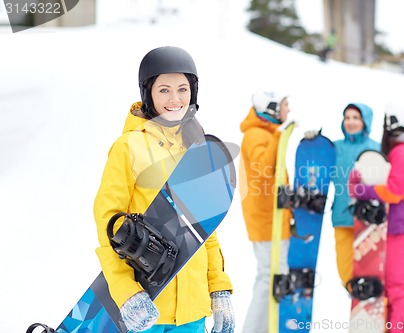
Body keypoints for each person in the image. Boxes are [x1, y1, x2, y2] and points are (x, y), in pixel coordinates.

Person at [93, 46, 235, 333]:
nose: (175, 99)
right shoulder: (128, 147)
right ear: (149, 94)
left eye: (183, 89)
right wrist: (125, 291)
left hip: (193, 311)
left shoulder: (196, 148)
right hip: (147, 309)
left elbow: (205, 229)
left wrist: (219, 288)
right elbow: (107, 224)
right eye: (164, 90)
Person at [348, 102, 404, 333]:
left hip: (400, 229)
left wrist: (363, 190)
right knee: (390, 288)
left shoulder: (403, 152)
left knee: (397, 287)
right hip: (393, 228)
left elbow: (393, 190)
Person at [304, 103, 379, 288]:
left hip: (368, 221)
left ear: (365, 121)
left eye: (356, 118)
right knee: (345, 270)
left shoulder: (376, 148)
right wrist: (313, 143)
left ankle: (369, 300)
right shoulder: (334, 148)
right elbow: (315, 168)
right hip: (342, 217)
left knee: (368, 268)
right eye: (347, 118)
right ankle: (354, 294)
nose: (351, 122)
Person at [239, 90, 293, 333]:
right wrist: (281, 135)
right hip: (265, 221)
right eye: (284, 105)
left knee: (274, 277)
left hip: (274, 218)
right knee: (267, 278)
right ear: (271, 108)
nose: (288, 110)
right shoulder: (255, 135)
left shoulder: (265, 134)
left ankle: (270, 326)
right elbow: (264, 168)